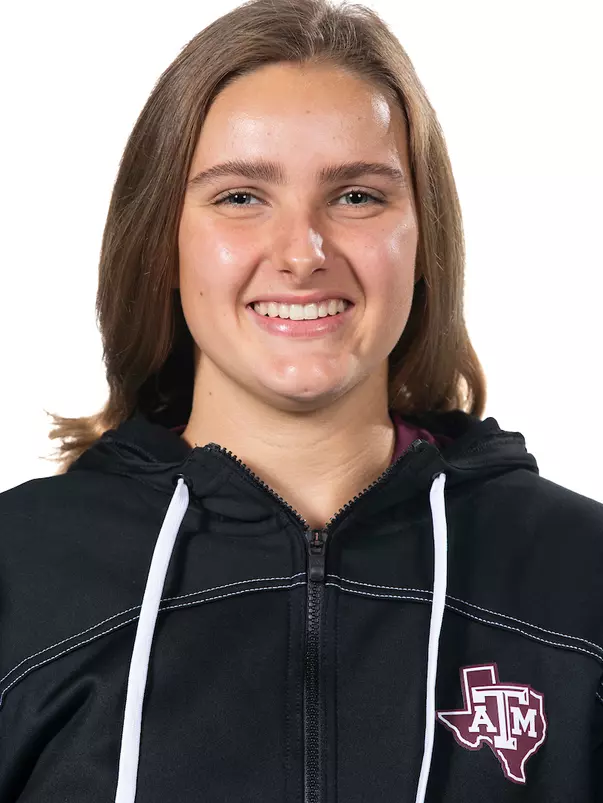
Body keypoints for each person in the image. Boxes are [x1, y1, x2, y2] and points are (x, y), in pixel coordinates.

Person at [1, 0, 602, 800]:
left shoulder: (578, 575)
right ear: (162, 242)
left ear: (423, 240)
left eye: (356, 196)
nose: (301, 253)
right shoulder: (20, 571)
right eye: (240, 197)